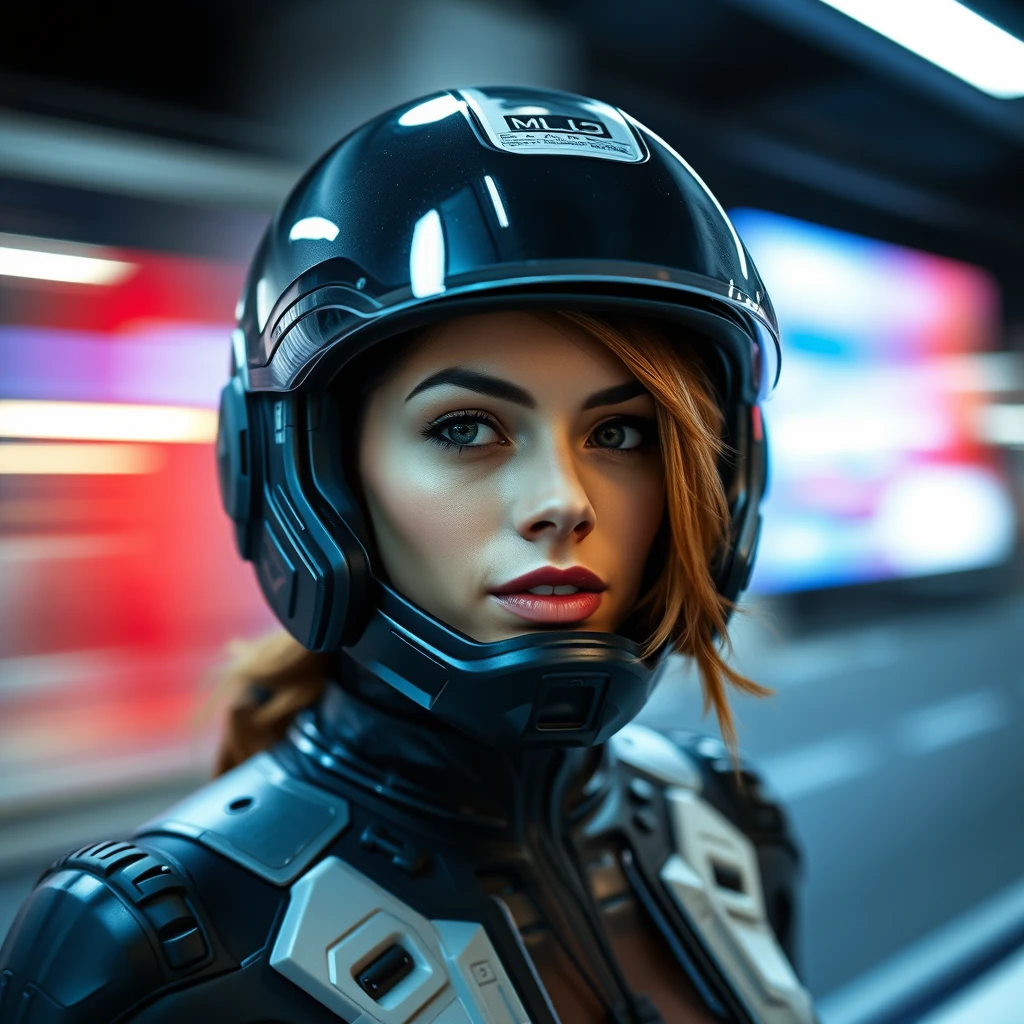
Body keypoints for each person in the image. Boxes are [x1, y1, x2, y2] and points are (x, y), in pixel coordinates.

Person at [0, 87, 816, 1024]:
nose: (561, 502)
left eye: (623, 434)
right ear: (312, 478)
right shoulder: (158, 952)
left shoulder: (730, 827)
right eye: (467, 427)